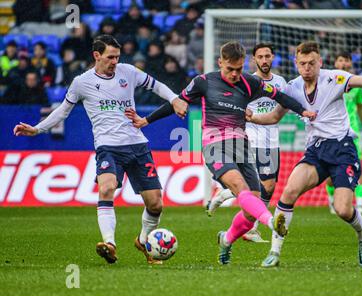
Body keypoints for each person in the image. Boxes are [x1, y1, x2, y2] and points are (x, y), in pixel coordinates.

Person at [125, 41, 317, 265]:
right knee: (240, 188)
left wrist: (303, 110)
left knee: (250, 210)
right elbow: (176, 101)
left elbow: (280, 97)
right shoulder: (204, 82)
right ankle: (272, 221)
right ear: (220, 62)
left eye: (238, 69)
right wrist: (146, 120)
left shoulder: (250, 82)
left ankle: (226, 239)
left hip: (242, 146)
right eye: (230, 69)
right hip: (214, 144)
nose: (235, 74)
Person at [13, 35, 188, 265]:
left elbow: (157, 85)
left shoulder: (128, 72)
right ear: (96, 55)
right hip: (108, 147)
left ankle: (143, 240)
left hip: (137, 144)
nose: (115, 61)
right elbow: (62, 111)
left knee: (155, 203)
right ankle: (110, 244)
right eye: (110, 57)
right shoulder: (81, 82)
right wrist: (37, 129)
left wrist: (175, 99)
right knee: (106, 189)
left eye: (117, 56)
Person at [246, 41, 362, 268]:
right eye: (302, 63)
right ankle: (274, 252)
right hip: (316, 151)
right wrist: (252, 117)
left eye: (311, 63)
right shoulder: (292, 88)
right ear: (296, 63)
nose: (307, 68)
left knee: (343, 209)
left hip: (343, 149)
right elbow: (274, 117)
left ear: (320, 62)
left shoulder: (335, 78)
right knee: (289, 192)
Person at [206, 43, 287, 244]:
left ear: (273, 57)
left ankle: (225, 194)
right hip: (250, 139)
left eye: (268, 56)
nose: (264, 60)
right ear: (254, 60)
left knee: (268, 187)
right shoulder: (247, 82)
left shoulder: (280, 82)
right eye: (260, 57)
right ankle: (255, 226)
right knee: (258, 186)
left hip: (272, 140)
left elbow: (284, 105)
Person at [325, 52, 362, 215]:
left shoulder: (356, 84)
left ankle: (360, 204)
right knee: (329, 172)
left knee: (357, 167)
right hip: (333, 131)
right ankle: (331, 202)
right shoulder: (328, 81)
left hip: (353, 133)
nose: (343, 63)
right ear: (335, 63)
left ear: (350, 63)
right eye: (340, 60)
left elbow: (360, 107)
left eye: (346, 60)